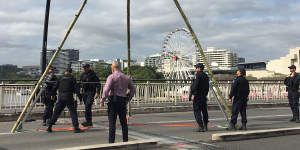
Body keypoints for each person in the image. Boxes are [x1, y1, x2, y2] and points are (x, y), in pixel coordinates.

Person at [100, 62, 136, 143]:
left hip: (113, 101)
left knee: (112, 123)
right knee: (123, 122)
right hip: (123, 101)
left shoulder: (111, 77)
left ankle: (111, 142)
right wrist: (128, 98)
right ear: (119, 68)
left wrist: (102, 100)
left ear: (112, 68)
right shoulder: (127, 77)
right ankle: (125, 141)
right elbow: (133, 89)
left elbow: (106, 90)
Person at [47, 68, 83, 133]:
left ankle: (49, 126)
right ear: (71, 72)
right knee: (73, 112)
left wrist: (52, 95)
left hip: (60, 97)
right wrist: (80, 98)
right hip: (69, 97)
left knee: (56, 112)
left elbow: (54, 87)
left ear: (65, 72)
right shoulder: (72, 79)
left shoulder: (60, 78)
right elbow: (77, 90)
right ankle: (76, 128)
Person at [189, 63, 209, 132]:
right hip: (204, 96)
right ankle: (206, 125)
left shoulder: (197, 75)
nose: (196, 69)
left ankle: (201, 126)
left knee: (197, 111)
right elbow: (207, 86)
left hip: (197, 96)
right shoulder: (206, 75)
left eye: (196, 67)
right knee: (204, 111)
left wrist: (193, 94)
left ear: (199, 68)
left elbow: (195, 85)